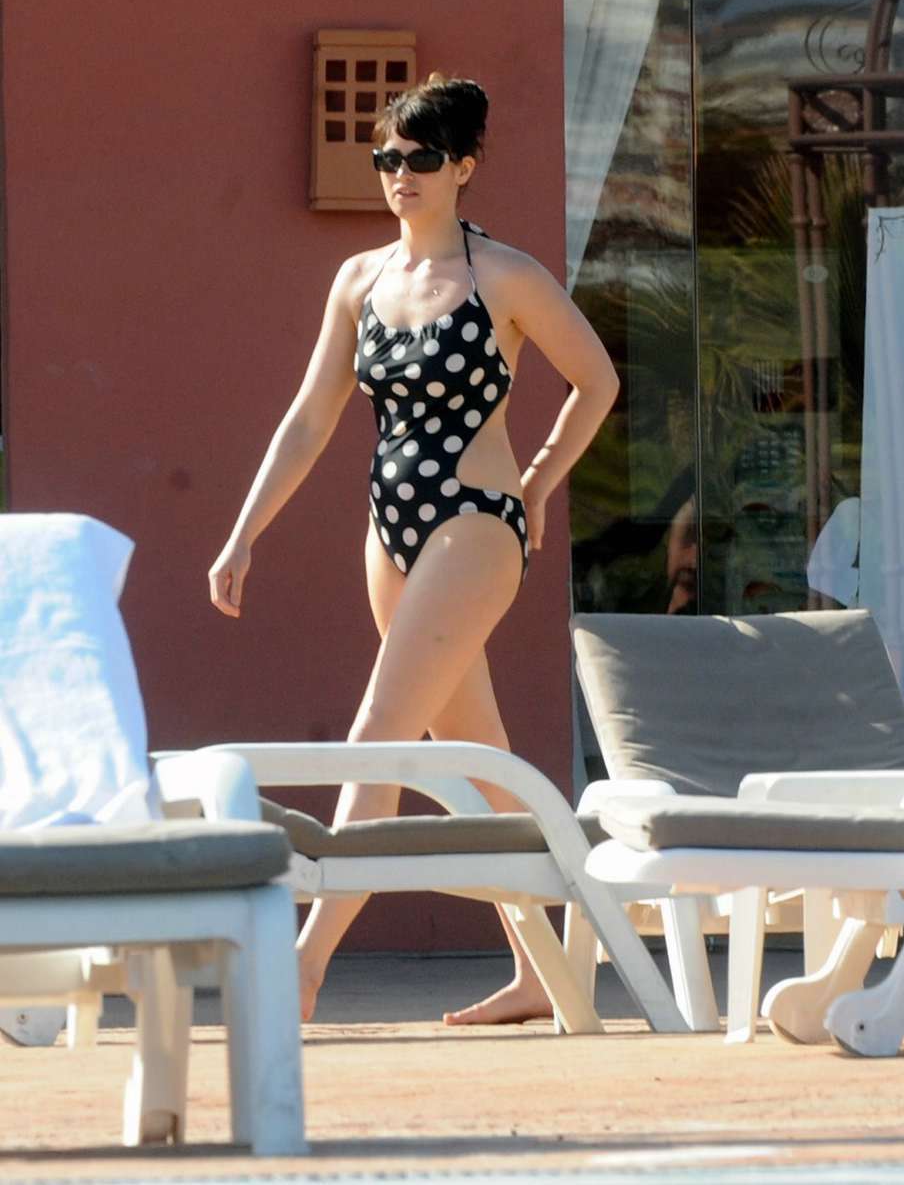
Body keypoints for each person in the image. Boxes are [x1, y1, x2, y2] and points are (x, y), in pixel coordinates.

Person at [208, 73, 620, 1026]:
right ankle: (544, 971)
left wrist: (537, 484)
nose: (400, 174)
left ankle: (303, 967)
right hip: (388, 527)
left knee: (379, 732)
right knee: (478, 758)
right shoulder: (358, 279)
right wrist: (242, 534)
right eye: (387, 158)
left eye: (421, 159)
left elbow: (594, 381)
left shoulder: (504, 276)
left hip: (476, 520)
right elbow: (309, 419)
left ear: (463, 167)